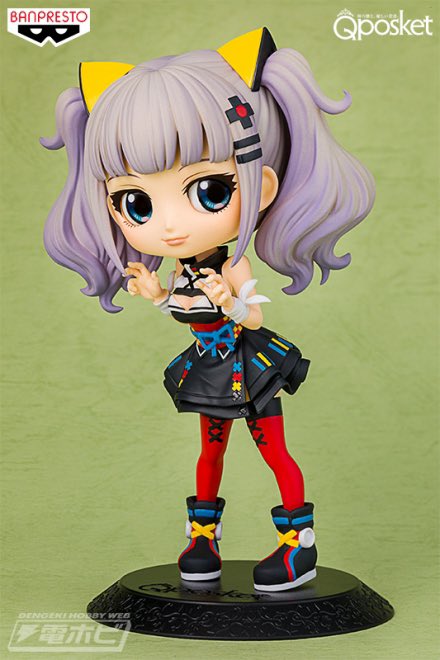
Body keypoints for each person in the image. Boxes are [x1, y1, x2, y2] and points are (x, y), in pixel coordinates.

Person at [41, 28, 375, 591]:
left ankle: (299, 544)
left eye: (209, 191)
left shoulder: (232, 263)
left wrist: (230, 301)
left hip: (250, 366)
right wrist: (156, 293)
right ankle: (203, 537)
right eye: (136, 202)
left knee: (274, 452)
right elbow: (181, 305)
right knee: (209, 455)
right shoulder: (182, 265)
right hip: (208, 367)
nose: (170, 226)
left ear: (259, 187)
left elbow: (254, 319)